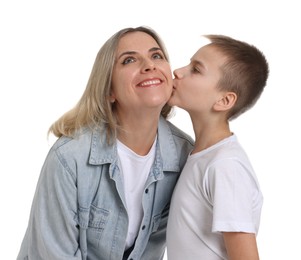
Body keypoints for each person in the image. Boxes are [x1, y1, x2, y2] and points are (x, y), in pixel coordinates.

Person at [17, 26, 194, 260]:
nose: (149, 65)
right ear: (109, 90)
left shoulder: (184, 154)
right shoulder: (69, 157)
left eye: (156, 55)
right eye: (129, 60)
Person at [166, 35, 269, 260]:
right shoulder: (198, 155)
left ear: (224, 101)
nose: (178, 71)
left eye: (196, 69)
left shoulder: (225, 166)